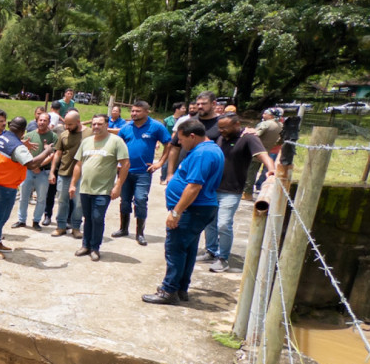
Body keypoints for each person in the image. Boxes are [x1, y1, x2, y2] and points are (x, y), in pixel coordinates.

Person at [142, 120, 224, 305]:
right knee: (187, 250)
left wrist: (177, 212)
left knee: (175, 250)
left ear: (192, 136)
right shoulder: (209, 149)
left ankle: (168, 290)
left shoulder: (202, 153)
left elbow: (194, 186)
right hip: (199, 209)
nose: (180, 144)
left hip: (192, 210)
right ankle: (180, 288)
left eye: (181, 139)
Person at [203, 113, 275, 272]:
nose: (221, 130)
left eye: (225, 127)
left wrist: (271, 170)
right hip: (213, 188)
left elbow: (263, 155)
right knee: (210, 222)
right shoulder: (222, 138)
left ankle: (223, 258)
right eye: (219, 127)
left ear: (237, 124)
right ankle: (211, 251)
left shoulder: (248, 137)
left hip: (231, 190)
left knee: (223, 224)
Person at [0, 116, 55, 259]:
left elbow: (12, 150)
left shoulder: (4, 137)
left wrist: (22, 145)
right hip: (6, 185)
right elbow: (31, 164)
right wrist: (47, 151)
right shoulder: (17, 146)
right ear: (23, 131)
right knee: (1, 216)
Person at [69, 114, 129, 261]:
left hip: (103, 190)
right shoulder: (86, 142)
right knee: (87, 218)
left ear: (106, 125)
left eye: (100, 124)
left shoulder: (116, 141)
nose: (96, 126)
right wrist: (72, 184)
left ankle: (95, 248)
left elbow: (125, 164)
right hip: (85, 188)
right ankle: (86, 245)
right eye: (94, 124)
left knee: (97, 217)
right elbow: (78, 164)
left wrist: (118, 185)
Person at [113, 100, 172, 246]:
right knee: (124, 200)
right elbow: (117, 146)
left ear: (147, 111)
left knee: (140, 200)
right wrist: (118, 164)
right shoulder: (126, 128)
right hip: (125, 171)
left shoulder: (156, 127)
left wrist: (160, 163)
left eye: (137, 111)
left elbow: (169, 144)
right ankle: (123, 228)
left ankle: (140, 233)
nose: (134, 113)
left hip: (143, 172)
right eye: (132, 111)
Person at [14, 112, 56, 229]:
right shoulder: (30, 135)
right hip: (28, 170)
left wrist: (39, 165)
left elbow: (52, 155)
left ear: (49, 122)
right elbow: (24, 150)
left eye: (45, 120)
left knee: (41, 198)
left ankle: (36, 221)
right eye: (40, 120)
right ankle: (21, 220)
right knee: (23, 197)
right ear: (37, 121)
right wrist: (32, 166)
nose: (42, 122)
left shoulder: (53, 137)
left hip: (43, 172)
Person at [165, 91, 221, 179]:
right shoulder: (188, 122)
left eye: (204, 104)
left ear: (213, 104)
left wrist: (249, 130)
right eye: (198, 104)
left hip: (208, 174)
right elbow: (175, 147)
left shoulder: (222, 123)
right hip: (184, 172)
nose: (200, 107)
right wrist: (169, 174)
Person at [49, 110, 84, 238]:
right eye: (65, 124)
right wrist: (52, 171)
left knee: (78, 202)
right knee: (62, 200)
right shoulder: (63, 134)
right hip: (64, 172)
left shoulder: (89, 134)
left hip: (82, 174)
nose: (67, 127)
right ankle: (61, 226)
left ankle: (76, 227)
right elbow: (57, 153)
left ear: (78, 122)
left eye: (70, 124)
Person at [253, 108, 282, 193]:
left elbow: (256, 134)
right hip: (270, 150)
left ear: (270, 115)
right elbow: (280, 140)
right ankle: (261, 187)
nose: (263, 115)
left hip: (257, 151)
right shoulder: (280, 125)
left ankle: (247, 192)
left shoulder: (265, 124)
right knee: (267, 170)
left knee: (252, 171)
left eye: (265, 113)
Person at [161, 102, 187, 184]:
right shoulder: (167, 120)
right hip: (168, 142)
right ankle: (163, 178)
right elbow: (162, 131)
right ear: (177, 109)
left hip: (179, 143)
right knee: (166, 160)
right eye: (183, 108)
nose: (185, 110)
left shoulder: (185, 119)